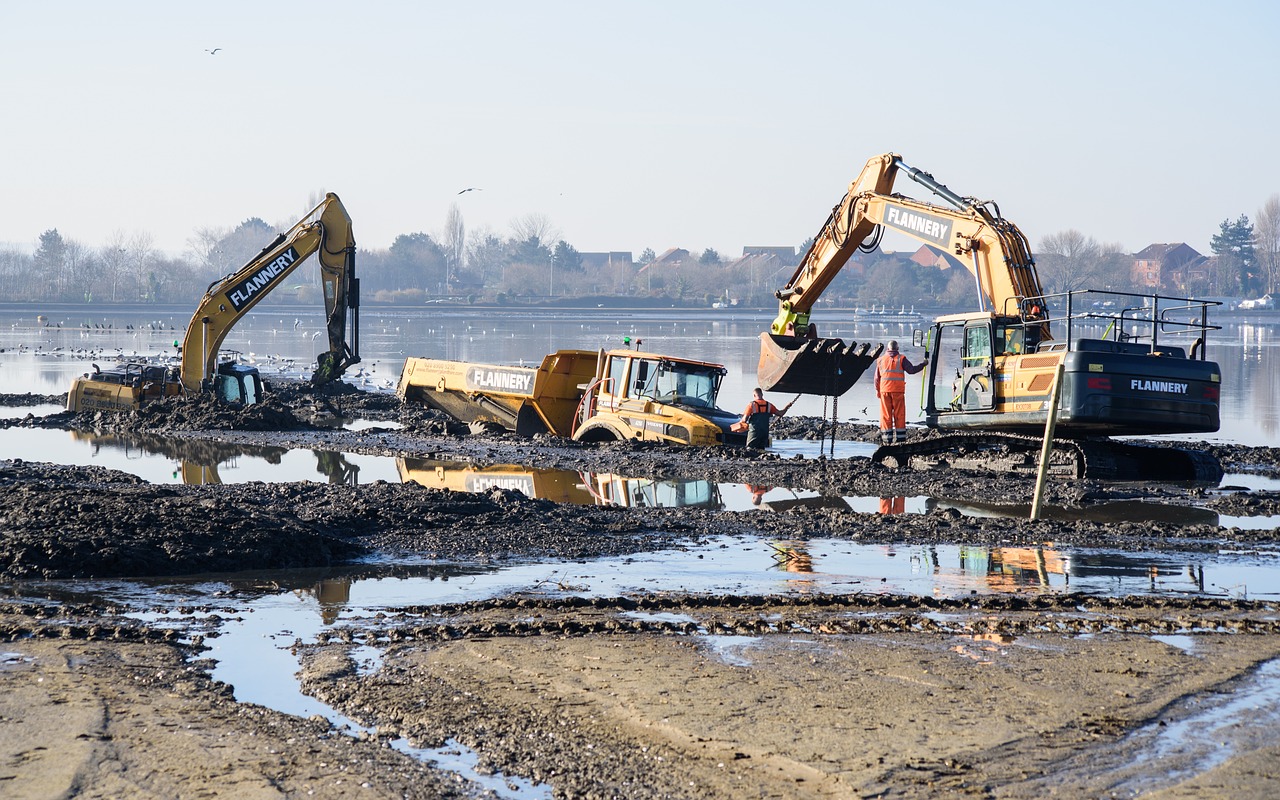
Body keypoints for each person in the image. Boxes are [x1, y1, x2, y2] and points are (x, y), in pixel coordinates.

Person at [872, 339, 926, 444]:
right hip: (898, 391)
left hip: (884, 391)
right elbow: (912, 370)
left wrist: (877, 391)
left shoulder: (881, 360)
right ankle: (900, 439)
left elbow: (876, 378)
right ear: (897, 349)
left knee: (886, 415)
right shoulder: (901, 359)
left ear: (888, 349)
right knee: (899, 414)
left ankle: (887, 439)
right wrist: (923, 364)